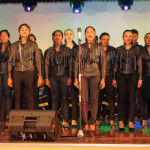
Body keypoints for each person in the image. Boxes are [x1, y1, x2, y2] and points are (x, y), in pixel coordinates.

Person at [74, 26, 106, 131]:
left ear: (95, 34)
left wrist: (103, 78)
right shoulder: (81, 46)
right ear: (85, 35)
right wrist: (75, 78)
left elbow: (103, 63)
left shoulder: (99, 46)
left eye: (91, 32)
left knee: (94, 99)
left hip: (95, 74)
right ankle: (85, 122)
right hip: (83, 75)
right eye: (87, 32)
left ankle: (93, 121)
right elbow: (77, 62)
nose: (89, 34)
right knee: (84, 100)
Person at [112, 30, 142, 131]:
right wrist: (114, 78)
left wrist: (140, 78)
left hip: (133, 76)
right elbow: (115, 65)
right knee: (121, 98)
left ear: (133, 38)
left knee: (132, 98)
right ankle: (120, 120)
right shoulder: (119, 49)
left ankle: (130, 121)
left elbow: (139, 64)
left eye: (130, 36)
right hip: (121, 76)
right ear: (123, 38)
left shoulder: (137, 49)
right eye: (126, 36)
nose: (128, 38)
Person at [8, 23, 42, 110]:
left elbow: (38, 61)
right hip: (17, 72)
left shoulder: (33, 45)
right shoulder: (14, 45)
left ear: (29, 32)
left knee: (29, 96)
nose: (24, 31)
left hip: (29, 71)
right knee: (18, 97)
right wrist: (9, 77)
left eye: (26, 29)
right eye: (22, 29)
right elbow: (10, 62)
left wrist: (40, 76)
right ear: (19, 32)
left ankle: (30, 117)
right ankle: (18, 119)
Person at [45, 30, 72, 129]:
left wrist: (70, 77)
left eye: (59, 35)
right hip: (52, 77)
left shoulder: (67, 50)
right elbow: (46, 65)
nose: (57, 37)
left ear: (62, 38)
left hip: (64, 76)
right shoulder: (49, 51)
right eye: (55, 35)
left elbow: (70, 65)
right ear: (52, 38)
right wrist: (47, 78)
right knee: (54, 99)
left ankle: (65, 121)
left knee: (64, 98)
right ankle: (54, 120)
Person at [96, 32, 116, 128]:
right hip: (98, 76)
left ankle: (112, 119)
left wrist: (114, 78)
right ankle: (96, 119)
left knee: (110, 97)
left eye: (107, 39)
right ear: (100, 40)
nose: (105, 41)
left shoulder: (112, 50)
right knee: (98, 98)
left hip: (109, 76)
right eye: (103, 39)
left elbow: (115, 65)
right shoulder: (96, 49)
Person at [64, 29, 78, 127]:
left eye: (70, 34)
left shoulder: (78, 48)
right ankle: (65, 119)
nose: (69, 36)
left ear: (73, 36)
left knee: (74, 98)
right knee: (64, 98)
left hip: (75, 75)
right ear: (64, 37)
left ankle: (74, 118)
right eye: (67, 34)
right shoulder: (61, 48)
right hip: (63, 75)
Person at [0, 30, 12, 127]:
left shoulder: (12, 47)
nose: (3, 37)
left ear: (8, 37)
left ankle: (8, 118)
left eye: (5, 35)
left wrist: (10, 76)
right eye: (1, 35)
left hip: (7, 74)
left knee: (7, 96)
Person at [131, 29, 143, 120]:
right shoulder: (124, 48)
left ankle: (138, 113)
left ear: (137, 36)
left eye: (135, 36)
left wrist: (140, 77)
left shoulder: (141, 48)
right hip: (128, 75)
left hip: (138, 75)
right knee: (130, 95)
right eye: (132, 36)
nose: (134, 38)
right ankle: (131, 113)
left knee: (139, 96)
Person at [140, 33, 150, 128]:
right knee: (144, 99)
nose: (149, 39)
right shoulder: (141, 50)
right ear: (144, 39)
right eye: (147, 37)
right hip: (145, 77)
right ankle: (143, 120)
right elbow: (138, 66)